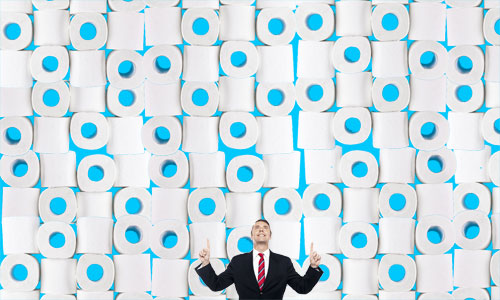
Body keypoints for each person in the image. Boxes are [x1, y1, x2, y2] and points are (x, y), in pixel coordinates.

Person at [195, 219, 323, 299]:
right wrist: (205, 263)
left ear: (270, 236)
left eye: (265, 227)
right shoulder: (238, 262)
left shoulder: (284, 262)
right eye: (257, 227)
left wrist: (313, 267)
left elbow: (303, 288)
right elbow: (216, 285)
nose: (261, 229)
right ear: (251, 236)